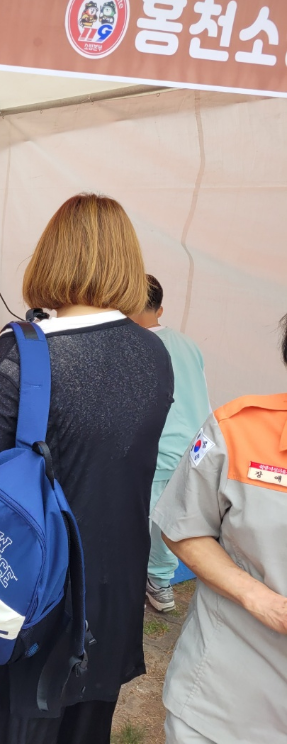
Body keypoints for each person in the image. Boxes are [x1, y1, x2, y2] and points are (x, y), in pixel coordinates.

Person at [0, 194, 174, 744]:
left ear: (50, 257)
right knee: (84, 725)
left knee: (1, 726)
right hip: (111, 589)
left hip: (26, 592)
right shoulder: (155, 354)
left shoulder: (22, 350)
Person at [151, 314, 287, 744]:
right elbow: (181, 525)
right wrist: (258, 597)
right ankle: (158, 585)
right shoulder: (238, 432)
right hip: (227, 698)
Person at [129, 275, 210, 612]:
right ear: (160, 308)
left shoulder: (136, 346)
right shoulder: (188, 343)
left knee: (149, 519)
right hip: (197, 446)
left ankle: (155, 583)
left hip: (159, 448)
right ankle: (158, 580)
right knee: (170, 516)